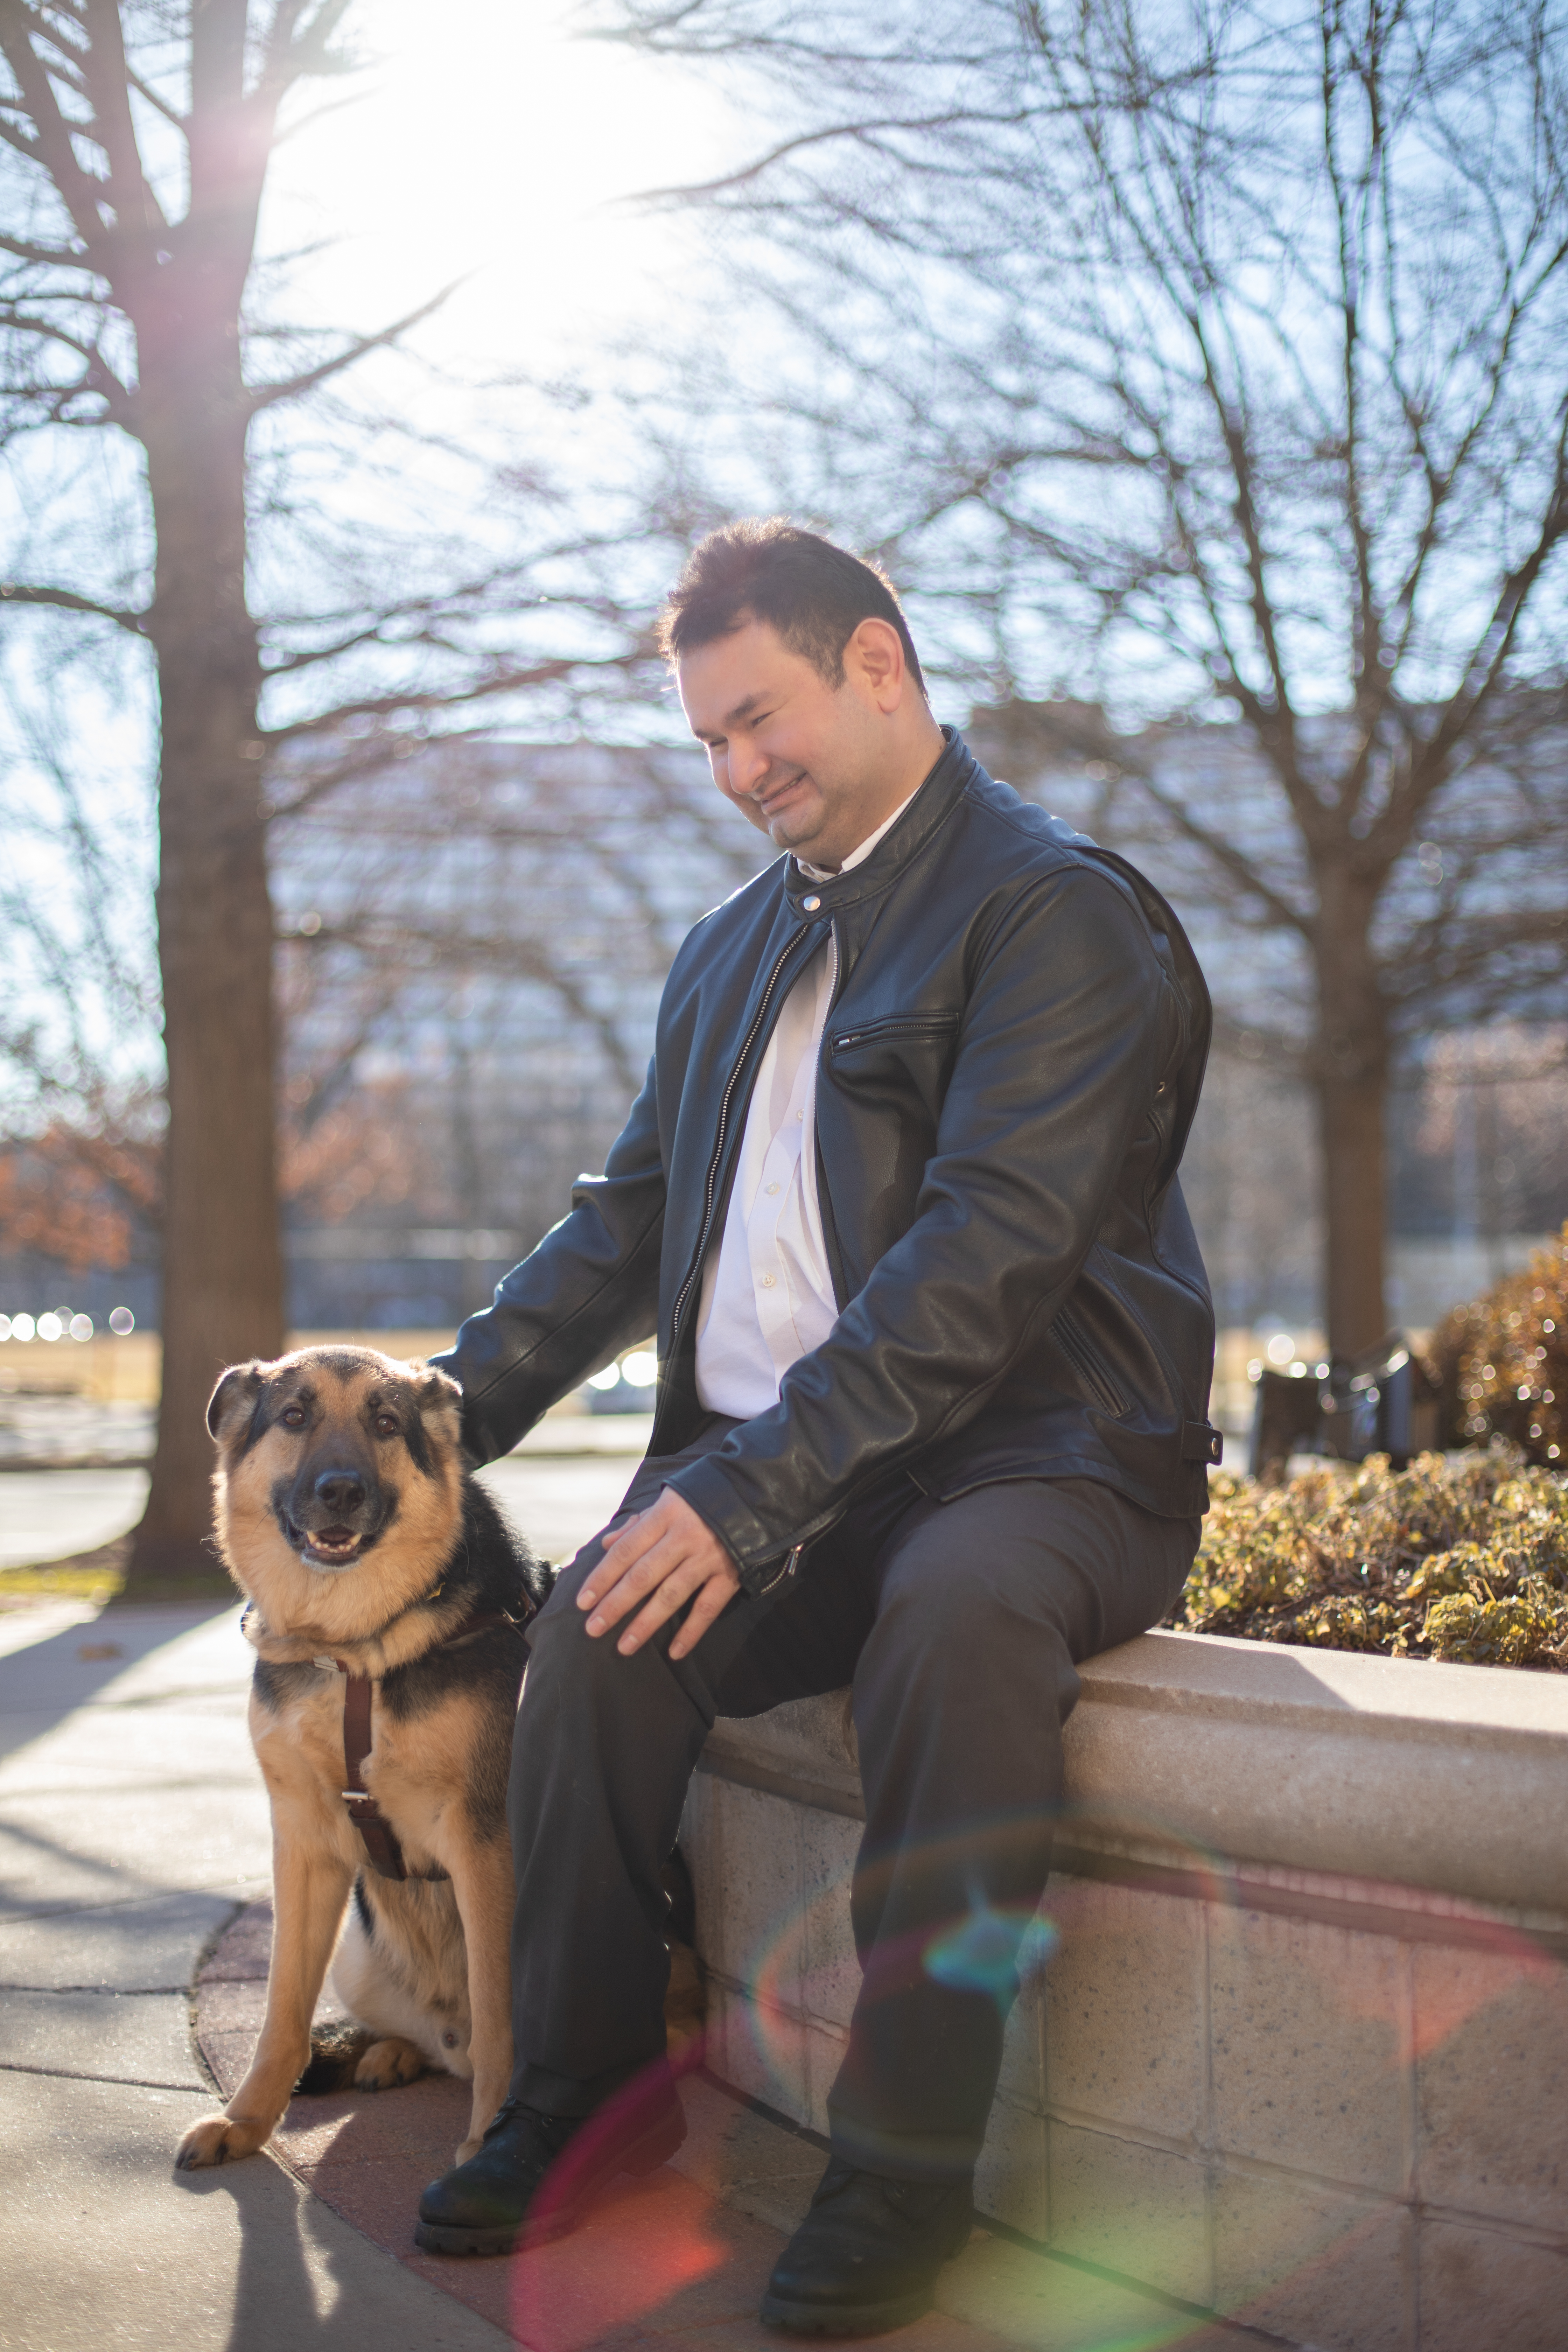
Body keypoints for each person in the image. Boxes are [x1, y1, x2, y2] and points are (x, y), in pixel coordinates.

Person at [416, 519, 1219, 2336]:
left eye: (757, 717)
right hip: (813, 1473)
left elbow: (983, 1261)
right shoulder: (725, 955)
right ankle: (584, 2107)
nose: (736, 767)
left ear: (877, 663)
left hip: (1048, 1456)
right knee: (600, 1632)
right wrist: (434, 1428)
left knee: (957, 1616)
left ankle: (905, 2170)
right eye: (705, 740)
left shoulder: (1053, 908)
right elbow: (623, 1226)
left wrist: (753, 1494)